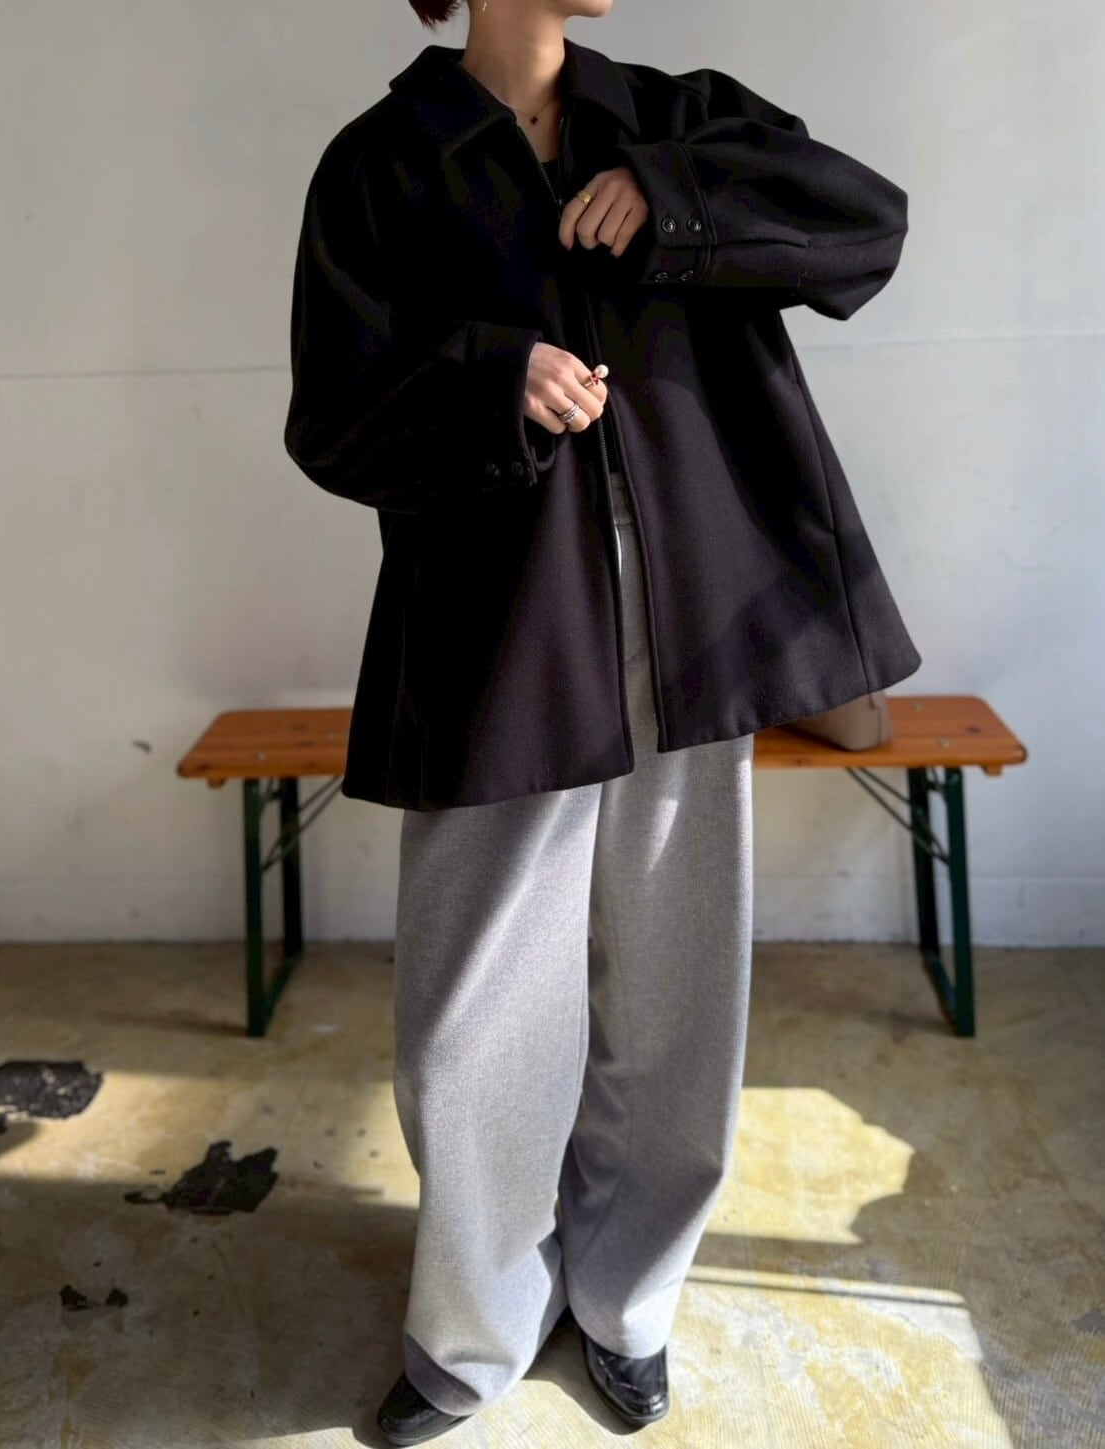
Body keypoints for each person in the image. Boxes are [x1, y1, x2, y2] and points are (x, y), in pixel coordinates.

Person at [283, 1, 919, 1442]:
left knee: (674, 987)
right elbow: (332, 412)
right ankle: (474, 1331)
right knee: (471, 1018)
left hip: (701, 616)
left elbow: (864, 228)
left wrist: (674, 199)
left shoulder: (674, 117)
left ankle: (632, 1300)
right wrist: (490, 376)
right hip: (505, 633)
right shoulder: (384, 162)